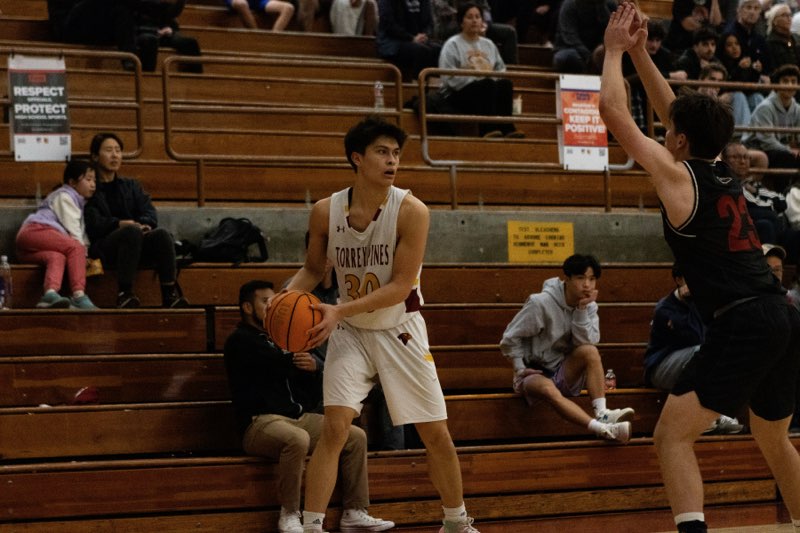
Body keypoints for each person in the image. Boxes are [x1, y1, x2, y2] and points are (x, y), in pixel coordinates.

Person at [600, 5, 800, 532]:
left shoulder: (675, 175)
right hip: (781, 311)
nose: (668, 131)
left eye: (672, 131)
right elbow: (677, 113)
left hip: (742, 322)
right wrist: (644, 52)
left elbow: (615, 115)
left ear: (680, 141)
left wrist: (617, 50)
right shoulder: (719, 167)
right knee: (773, 438)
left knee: (671, 437)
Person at [283, 116, 479, 533]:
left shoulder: (411, 211)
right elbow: (314, 270)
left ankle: (456, 521)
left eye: (396, 154)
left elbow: (400, 286)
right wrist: (284, 299)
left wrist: (337, 311)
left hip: (399, 327)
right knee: (335, 428)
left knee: (434, 432)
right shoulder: (325, 211)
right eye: (382, 152)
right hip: (351, 331)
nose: (392, 161)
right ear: (357, 158)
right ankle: (313, 524)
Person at [223, 280, 394, 533]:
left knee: (354, 436)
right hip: (259, 423)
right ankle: (290, 514)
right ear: (247, 307)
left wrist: (313, 369)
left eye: (273, 300)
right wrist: (296, 357)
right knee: (297, 439)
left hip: (297, 418)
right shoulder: (239, 341)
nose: (271, 306)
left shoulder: (283, 341)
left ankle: (355, 511)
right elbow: (270, 365)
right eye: (264, 301)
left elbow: (309, 390)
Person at [499, 254, 636, 444]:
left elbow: (587, 342)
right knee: (548, 389)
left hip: (563, 369)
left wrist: (580, 311)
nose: (587, 285)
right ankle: (603, 430)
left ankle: (603, 413)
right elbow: (510, 338)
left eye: (592, 279)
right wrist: (519, 368)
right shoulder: (540, 303)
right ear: (568, 278)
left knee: (590, 351)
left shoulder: (589, 306)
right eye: (581, 278)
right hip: (534, 373)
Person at [84, 132, 189, 309]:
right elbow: (94, 224)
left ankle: (169, 295)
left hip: (135, 239)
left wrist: (145, 224)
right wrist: (119, 224)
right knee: (130, 231)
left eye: (118, 150)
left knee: (161, 234)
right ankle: (125, 293)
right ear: (95, 156)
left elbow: (149, 211)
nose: (115, 155)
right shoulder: (90, 187)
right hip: (105, 245)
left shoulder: (130, 185)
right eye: (109, 150)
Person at [643, 265, 744, 434]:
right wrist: (692, 302)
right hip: (660, 368)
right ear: (678, 280)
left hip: (689, 364)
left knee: (721, 354)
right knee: (701, 351)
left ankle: (716, 414)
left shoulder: (702, 304)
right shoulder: (665, 309)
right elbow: (694, 336)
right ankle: (702, 416)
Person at [15, 160, 98, 310]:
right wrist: (83, 255)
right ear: (72, 182)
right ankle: (78, 295)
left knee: (56, 257)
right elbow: (74, 230)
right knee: (76, 248)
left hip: (28, 247)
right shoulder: (65, 195)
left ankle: (50, 294)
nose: (93, 184)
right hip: (36, 231)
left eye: (94, 180)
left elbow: (80, 229)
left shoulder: (78, 202)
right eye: (88, 179)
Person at [438, 2, 523, 138]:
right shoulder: (452, 44)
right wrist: (478, 80)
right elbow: (448, 77)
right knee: (486, 84)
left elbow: (501, 69)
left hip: (486, 89)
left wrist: (492, 79)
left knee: (505, 84)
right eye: (469, 17)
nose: (474, 20)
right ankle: (487, 129)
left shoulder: (488, 44)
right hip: (457, 93)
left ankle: (508, 128)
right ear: (461, 22)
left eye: (477, 17)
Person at [742, 63, 800, 193]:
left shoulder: (797, 109)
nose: (790, 85)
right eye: (785, 81)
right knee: (785, 157)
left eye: (793, 81)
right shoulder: (765, 107)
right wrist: (790, 149)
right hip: (757, 147)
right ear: (776, 85)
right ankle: (783, 195)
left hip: (782, 148)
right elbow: (767, 142)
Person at [46, 0, 138, 69]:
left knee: (122, 11)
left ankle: (129, 57)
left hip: (96, 26)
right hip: (70, 26)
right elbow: (60, 19)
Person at [377, 0, 442, 79]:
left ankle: (433, 86)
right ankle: (417, 86)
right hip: (394, 42)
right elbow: (389, 25)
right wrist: (411, 38)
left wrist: (425, 35)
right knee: (421, 51)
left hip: (418, 40)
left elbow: (429, 23)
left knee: (438, 49)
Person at [136, 0, 203, 73]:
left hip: (165, 32)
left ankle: (196, 78)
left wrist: (170, 29)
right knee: (150, 40)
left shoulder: (162, 3)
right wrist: (155, 31)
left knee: (190, 42)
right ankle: (148, 76)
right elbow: (131, 22)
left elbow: (171, 14)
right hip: (143, 32)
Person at [551, 0, 617, 74]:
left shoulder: (609, 5)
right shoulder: (569, 4)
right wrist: (589, 56)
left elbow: (612, 31)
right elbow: (570, 37)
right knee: (568, 57)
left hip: (597, 50)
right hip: (570, 48)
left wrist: (602, 7)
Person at [765, 4, 800, 74]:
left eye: (790, 15)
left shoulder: (796, 38)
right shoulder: (769, 42)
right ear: (774, 21)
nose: (789, 18)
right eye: (784, 15)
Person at [226, 0, 297, 32]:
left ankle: (273, 37)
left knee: (288, 8)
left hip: (259, 1)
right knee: (241, 3)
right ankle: (257, 34)